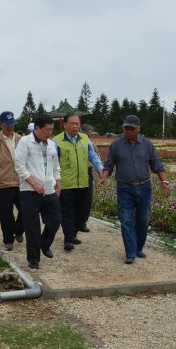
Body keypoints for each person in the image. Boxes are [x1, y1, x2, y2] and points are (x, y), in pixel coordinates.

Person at [98, 115, 170, 264]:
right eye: (126, 128)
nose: (128, 131)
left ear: (138, 129)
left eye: (131, 128)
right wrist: (104, 177)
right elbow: (109, 164)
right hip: (125, 188)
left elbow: (156, 164)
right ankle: (130, 253)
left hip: (144, 187)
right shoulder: (116, 145)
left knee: (143, 220)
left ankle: (138, 248)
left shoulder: (147, 145)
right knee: (126, 220)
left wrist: (164, 181)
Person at [14, 114, 61, 270]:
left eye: (51, 130)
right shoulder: (25, 142)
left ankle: (44, 243)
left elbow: (55, 165)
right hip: (29, 191)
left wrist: (58, 182)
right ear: (38, 128)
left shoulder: (51, 144)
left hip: (49, 190)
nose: (49, 133)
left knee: (55, 220)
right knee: (32, 227)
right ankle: (33, 259)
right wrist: (33, 183)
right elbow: (19, 166)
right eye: (47, 130)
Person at [53, 113, 103, 251]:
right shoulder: (56, 141)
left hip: (83, 183)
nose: (75, 126)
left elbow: (92, 155)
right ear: (65, 124)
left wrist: (101, 169)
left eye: (77, 123)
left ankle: (73, 233)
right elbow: (52, 162)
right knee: (67, 211)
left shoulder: (85, 139)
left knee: (80, 211)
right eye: (72, 123)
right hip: (66, 184)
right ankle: (68, 238)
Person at [0, 111, 24, 251]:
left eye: (12, 124)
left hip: (22, 182)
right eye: (7, 124)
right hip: (3, 183)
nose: (10, 127)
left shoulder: (21, 139)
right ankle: (8, 239)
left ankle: (19, 230)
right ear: (0, 124)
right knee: (6, 214)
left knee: (26, 210)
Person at [79, 123, 98, 232]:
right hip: (75, 173)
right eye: (86, 135)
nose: (88, 138)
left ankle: (83, 222)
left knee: (87, 199)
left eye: (89, 136)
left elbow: (97, 160)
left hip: (87, 172)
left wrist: (101, 173)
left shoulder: (93, 145)